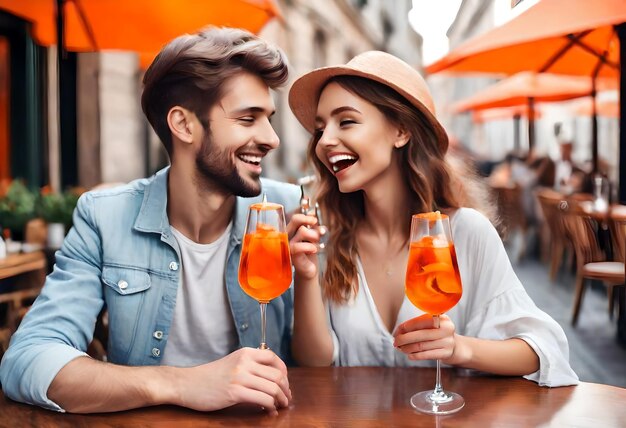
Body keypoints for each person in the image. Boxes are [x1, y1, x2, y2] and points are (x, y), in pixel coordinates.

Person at [0, 27, 300, 414]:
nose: (272, 138)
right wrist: (181, 383)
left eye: (269, 118)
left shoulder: (288, 209)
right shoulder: (104, 217)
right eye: (248, 119)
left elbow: (328, 356)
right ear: (184, 125)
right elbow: (26, 359)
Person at [286, 51, 578, 386]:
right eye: (320, 129)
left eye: (346, 121)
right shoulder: (327, 235)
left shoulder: (466, 232)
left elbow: (543, 352)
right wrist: (305, 274)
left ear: (401, 131)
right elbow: (315, 365)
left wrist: (458, 349)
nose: (325, 141)